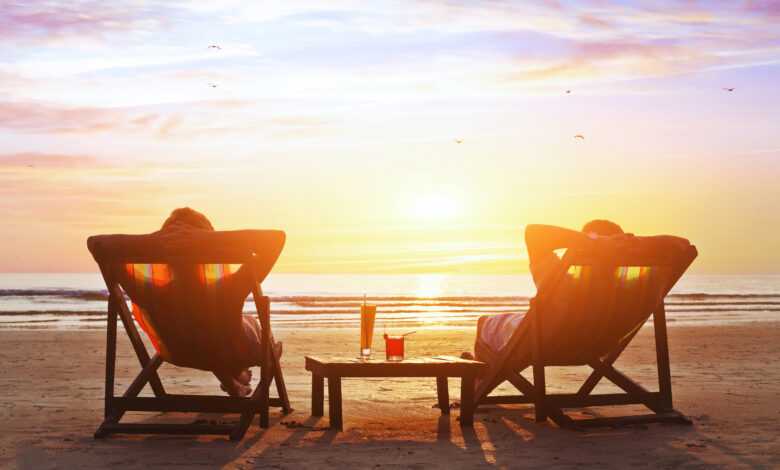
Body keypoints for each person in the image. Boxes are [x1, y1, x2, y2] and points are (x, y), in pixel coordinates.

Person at [149, 207, 280, 397]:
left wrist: (156, 241)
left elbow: (94, 244)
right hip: (231, 350)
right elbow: (276, 240)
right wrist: (205, 238)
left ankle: (234, 381)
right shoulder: (228, 288)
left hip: (180, 352)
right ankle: (236, 372)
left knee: (205, 332)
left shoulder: (155, 291)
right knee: (242, 323)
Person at [463, 220, 627, 361]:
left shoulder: (562, 283)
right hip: (594, 346)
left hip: (545, 343)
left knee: (486, 323)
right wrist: (626, 244)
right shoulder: (626, 290)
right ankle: (480, 371)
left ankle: (478, 376)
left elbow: (533, 233)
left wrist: (590, 241)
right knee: (512, 322)